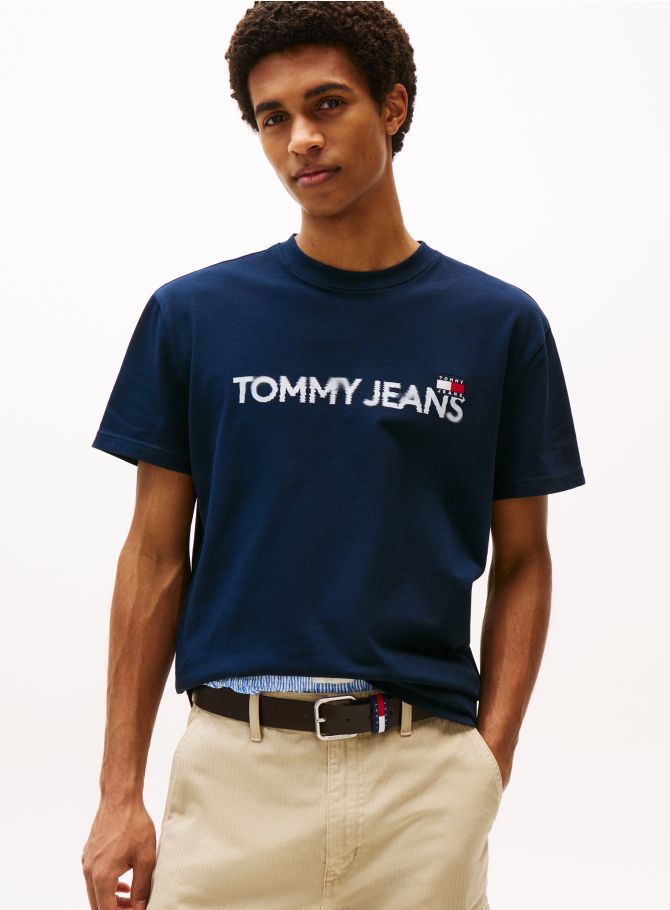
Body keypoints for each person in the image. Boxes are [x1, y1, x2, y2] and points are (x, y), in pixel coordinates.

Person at [81, 3, 586, 909]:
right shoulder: (194, 317)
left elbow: (524, 560)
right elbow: (154, 558)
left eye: (327, 104)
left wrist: (489, 762)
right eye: (273, 118)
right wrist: (119, 793)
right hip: (235, 779)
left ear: (392, 106)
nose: (301, 140)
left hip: (422, 783)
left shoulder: (498, 326)